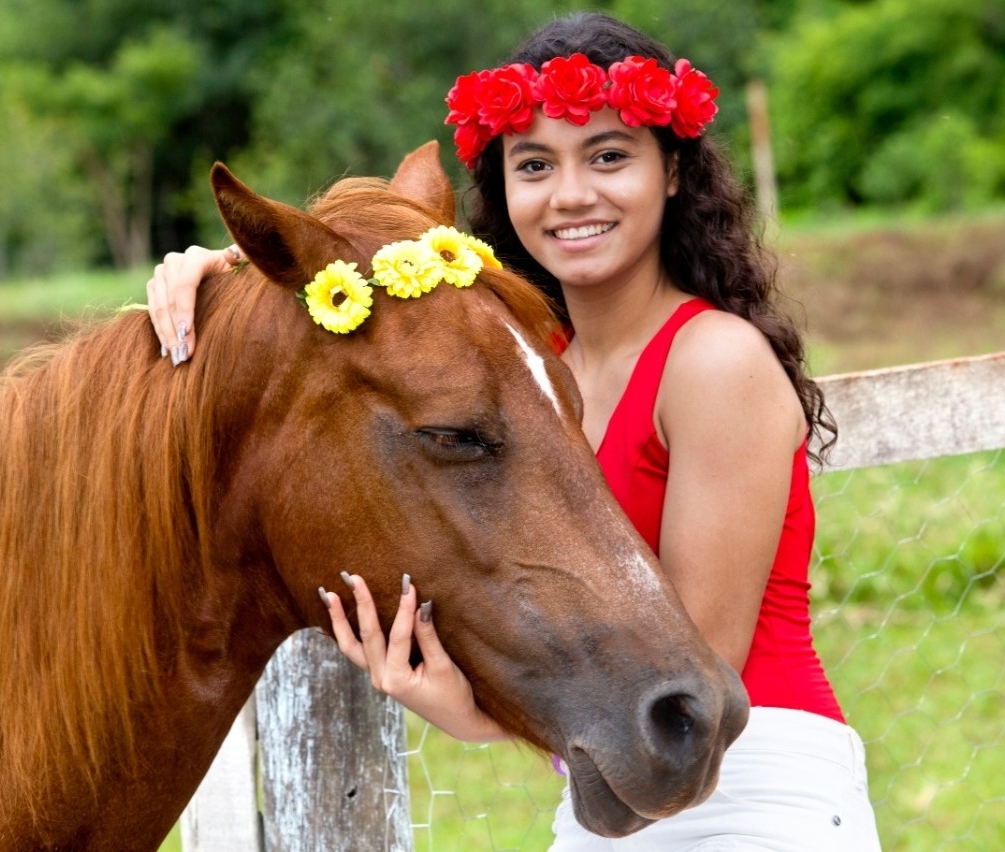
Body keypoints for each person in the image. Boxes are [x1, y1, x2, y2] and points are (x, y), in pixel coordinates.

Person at [146, 12, 881, 850]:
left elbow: (686, 690)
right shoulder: (533, 369)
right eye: (534, 165)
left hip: (746, 794)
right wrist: (228, 277)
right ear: (504, 190)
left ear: (673, 171)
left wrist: (472, 715)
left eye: (609, 156)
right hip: (607, 804)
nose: (570, 195)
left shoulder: (715, 360)